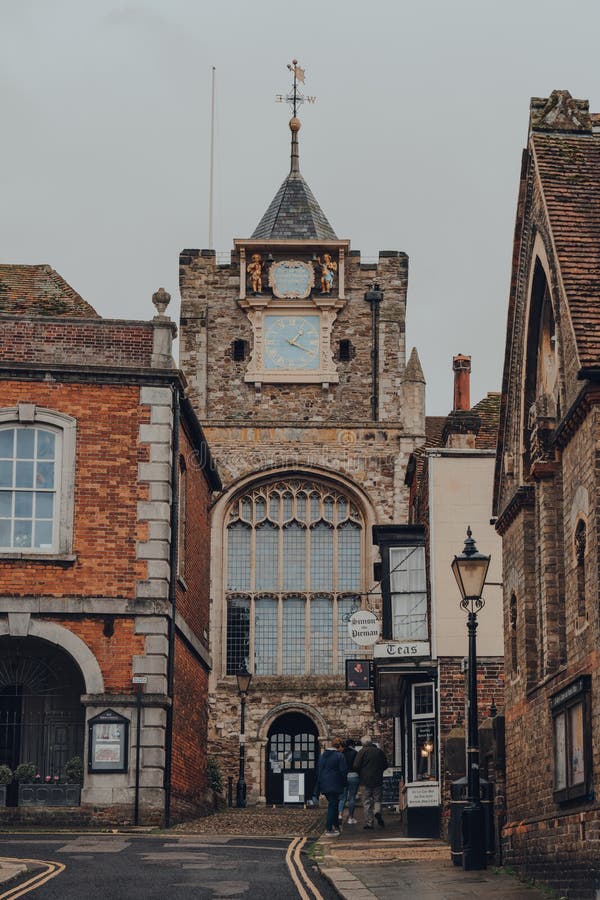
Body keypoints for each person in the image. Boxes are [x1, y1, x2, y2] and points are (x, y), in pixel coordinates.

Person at [353, 735, 389, 830]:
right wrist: (379, 771)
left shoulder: (362, 752)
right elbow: (386, 764)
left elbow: (356, 766)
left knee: (366, 801)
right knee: (377, 799)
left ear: (363, 743)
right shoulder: (379, 751)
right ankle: (377, 811)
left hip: (365, 781)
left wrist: (361, 772)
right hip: (377, 779)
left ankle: (369, 822)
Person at [316, 736, 347, 836]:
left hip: (324, 784)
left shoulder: (323, 755)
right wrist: (344, 783)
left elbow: (319, 771)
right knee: (332, 806)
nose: (343, 750)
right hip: (335, 784)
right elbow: (343, 771)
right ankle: (328, 828)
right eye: (343, 747)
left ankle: (336, 826)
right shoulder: (339, 756)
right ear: (340, 746)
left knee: (333, 805)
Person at [338, 739, 359, 825]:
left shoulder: (341, 753)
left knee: (342, 798)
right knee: (352, 797)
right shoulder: (355, 753)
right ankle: (351, 818)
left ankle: (339, 815)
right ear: (353, 745)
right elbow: (357, 765)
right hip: (354, 775)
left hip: (343, 775)